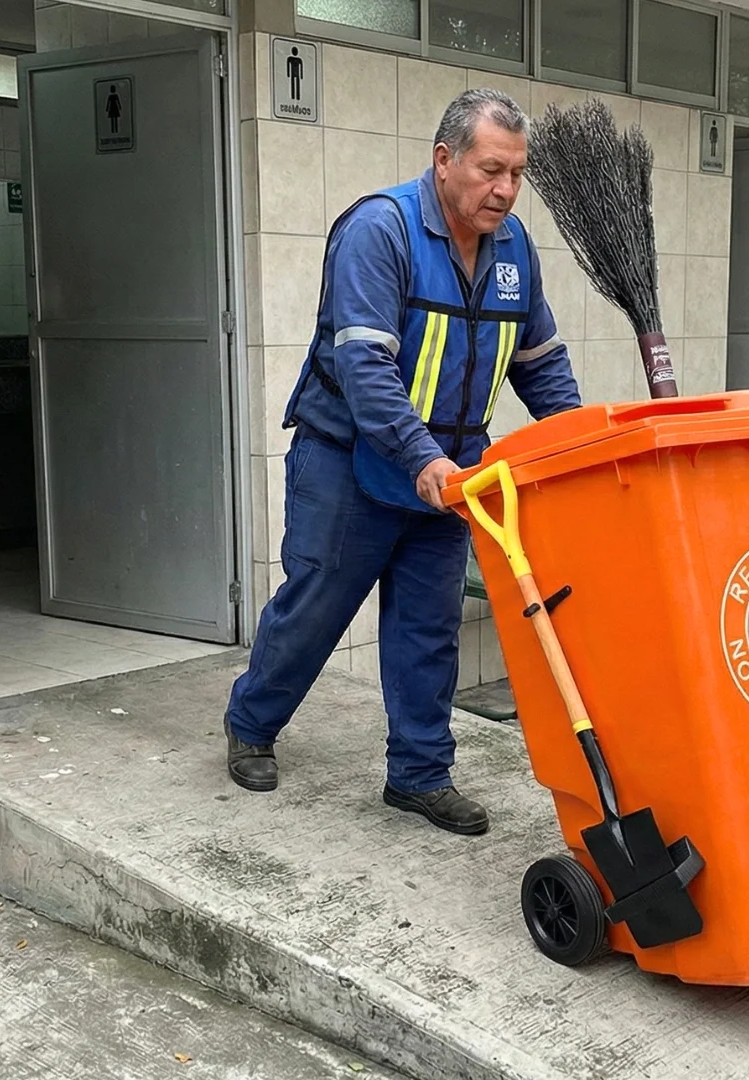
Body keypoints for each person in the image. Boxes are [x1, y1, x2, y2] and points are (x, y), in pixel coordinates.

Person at [221, 89, 581, 836]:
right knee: (317, 608)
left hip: (450, 476)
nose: (506, 190)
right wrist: (422, 458)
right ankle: (251, 722)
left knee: (429, 627)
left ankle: (418, 774)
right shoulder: (380, 230)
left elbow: (539, 361)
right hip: (349, 461)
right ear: (444, 160)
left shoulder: (514, 249)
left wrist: (580, 444)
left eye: (517, 174)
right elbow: (365, 368)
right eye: (490, 170)